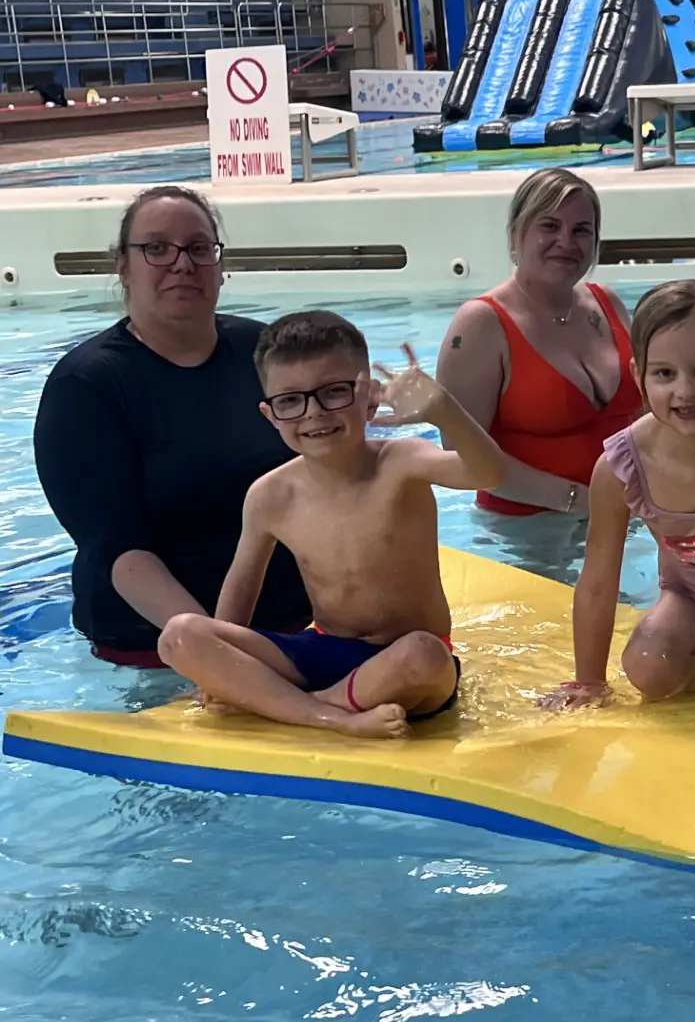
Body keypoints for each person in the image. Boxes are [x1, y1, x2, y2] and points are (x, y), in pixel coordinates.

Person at [157, 311, 504, 739]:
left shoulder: (401, 463)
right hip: (318, 651)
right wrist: (214, 671)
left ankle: (301, 707)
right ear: (270, 414)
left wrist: (443, 412)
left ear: (370, 397)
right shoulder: (271, 495)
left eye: (334, 392)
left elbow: (490, 474)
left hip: (401, 664)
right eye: (291, 400)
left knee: (424, 654)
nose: (314, 414)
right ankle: (333, 715)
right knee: (179, 634)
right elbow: (240, 595)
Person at [33, 185, 309, 667]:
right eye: (156, 248)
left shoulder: (262, 350)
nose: (182, 263)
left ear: (219, 265)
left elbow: (320, 477)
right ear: (122, 265)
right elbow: (117, 549)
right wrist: (221, 653)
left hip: (294, 626)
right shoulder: (86, 386)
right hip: (157, 649)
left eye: (199, 248)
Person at [543, 280, 695, 710]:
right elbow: (599, 582)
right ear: (638, 375)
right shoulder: (622, 466)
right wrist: (588, 681)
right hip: (691, 600)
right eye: (664, 374)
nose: (686, 391)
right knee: (647, 669)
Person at [435, 169, 642, 517]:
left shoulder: (607, 304)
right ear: (517, 234)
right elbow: (461, 454)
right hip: (527, 534)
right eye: (549, 226)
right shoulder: (481, 324)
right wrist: (580, 502)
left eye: (581, 230)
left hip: (623, 516)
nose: (566, 241)